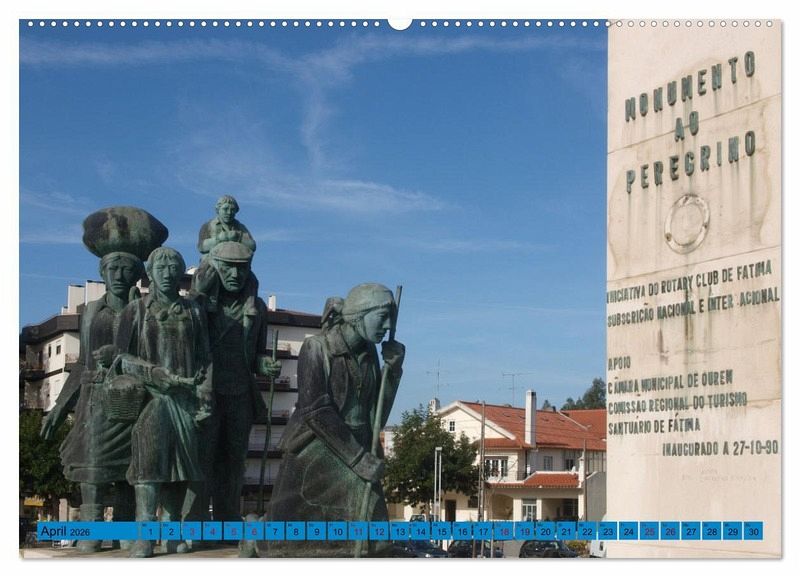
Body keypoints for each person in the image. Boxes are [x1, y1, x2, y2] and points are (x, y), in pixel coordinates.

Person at [41, 206, 166, 553]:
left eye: (127, 269)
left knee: (130, 469)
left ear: (138, 274)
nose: (119, 275)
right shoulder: (91, 312)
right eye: (113, 269)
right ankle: (91, 531)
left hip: (134, 398)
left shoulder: (145, 310)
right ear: (103, 273)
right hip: (94, 400)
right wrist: (58, 409)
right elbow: (81, 363)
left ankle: (125, 530)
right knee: (93, 468)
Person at [268, 283, 404, 557]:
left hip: (358, 445)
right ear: (358, 315)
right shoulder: (317, 347)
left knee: (376, 541)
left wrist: (393, 371)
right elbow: (316, 410)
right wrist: (358, 459)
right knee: (287, 542)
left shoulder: (369, 354)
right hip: (319, 446)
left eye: (391, 318)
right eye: (382, 317)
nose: (388, 326)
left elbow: (376, 416)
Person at [114, 247, 212, 558]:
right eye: (161, 267)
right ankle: (145, 535)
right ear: (150, 273)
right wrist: (153, 373)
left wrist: (205, 395)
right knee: (148, 467)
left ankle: (171, 532)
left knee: (179, 469)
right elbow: (120, 359)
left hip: (186, 401)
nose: (167, 273)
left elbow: (205, 357)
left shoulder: (193, 311)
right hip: (150, 398)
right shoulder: (135, 310)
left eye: (173, 267)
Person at [189, 241, 280, 530]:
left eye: (242, 269)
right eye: (228, 268)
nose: (235, 275)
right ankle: (195, 521)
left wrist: (265, 364)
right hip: (206, 392)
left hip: (240, 392)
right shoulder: (198, 307)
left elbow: (257, 355)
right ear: (213, 268)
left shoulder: (257, 308)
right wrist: (199, 293)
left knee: (234, 460)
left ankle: (227, 518)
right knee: (202, 458)